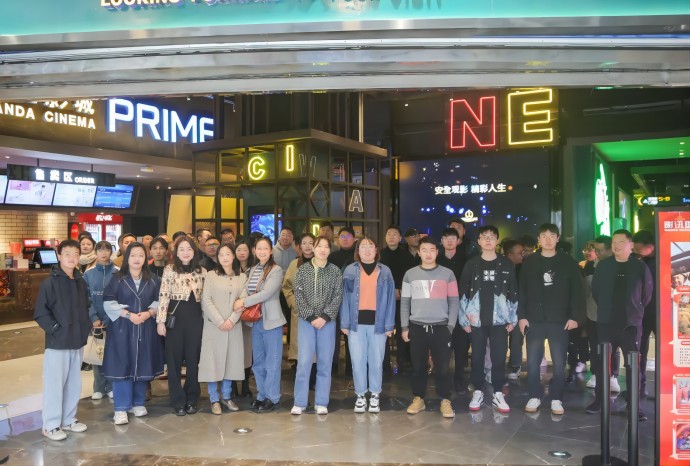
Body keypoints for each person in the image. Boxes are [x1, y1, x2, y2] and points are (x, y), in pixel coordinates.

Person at [518, 223, 584, 416]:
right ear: (539, 239)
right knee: (532, 363)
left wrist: (575, 317)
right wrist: (522, 316)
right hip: (534, 319)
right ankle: (534, 395)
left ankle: (556, 398)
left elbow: (577, 291)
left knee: (559, 362)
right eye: (544, 236)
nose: (548, 239)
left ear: (557, 238)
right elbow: (522, 291)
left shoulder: (568, 262)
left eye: (552, 235)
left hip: (560, 320)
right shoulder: (530, 262)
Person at [588, 229, 653, 421]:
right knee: (602, 363)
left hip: (630, 324)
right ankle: (600, 400)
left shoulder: (639, 267)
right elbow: (596, 291)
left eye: (621, 241)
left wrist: (634, 310)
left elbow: (646, 295)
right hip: (606, 322)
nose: (616, 245)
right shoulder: (604, 266)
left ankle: (634, 406)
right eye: (614, 242)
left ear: (631, 245)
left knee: (633, 365)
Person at [34, 239, 92, 441]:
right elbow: (41, 313)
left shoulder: (80, 281)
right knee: (54, 384)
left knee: (73, 383)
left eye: (75, 254)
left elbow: (86, 306)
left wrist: (86, 326)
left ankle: (68, 419)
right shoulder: (50, 282)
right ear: (59, 256)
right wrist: (56, 330)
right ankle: (50, 425)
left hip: (77, 340)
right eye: (67, 254)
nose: (72, 258)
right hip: (58, 342)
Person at [102, 242, 163, 425]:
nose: (137, 259)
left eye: (141, 255)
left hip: (145, 326)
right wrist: (129, 315)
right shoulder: (117, 279)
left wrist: (149, 313)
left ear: (146, 258)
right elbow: (108, 303)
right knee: (122, 365)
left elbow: (160, 301)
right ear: (127, 257)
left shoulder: (152, 279)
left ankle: (138, 402)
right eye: (133, 255)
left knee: (142, 363)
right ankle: (121, 408)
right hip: (123, 328)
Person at [459, 225, 518, 413]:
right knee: (477, 357)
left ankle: (498, 393)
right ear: (479, 241)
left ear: (496, 240)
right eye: (484, 236)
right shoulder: (471, 264)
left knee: (499, 357)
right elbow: (463, 292)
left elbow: (513, 291)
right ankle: (477, 390)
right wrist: (463, 319)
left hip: (500, 321)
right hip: (476, 320)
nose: (488, 240)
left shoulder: (506, 264)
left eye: (492, 236)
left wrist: (513, 319)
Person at [401, 236, 459, 419]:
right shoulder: (410, 274)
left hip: (441, 327)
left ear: (437, 252)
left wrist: (450, 326)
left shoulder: (447, 274)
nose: (428, 254)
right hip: (417, 327)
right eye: (424, 250)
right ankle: (418, 398)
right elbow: (405, 302)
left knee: (443, 368)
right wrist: (404, 327)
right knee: (418, 367)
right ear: (419, 252)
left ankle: (445, 400)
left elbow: (454, 301)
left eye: (432, 250)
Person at [341, 237, 395, 413]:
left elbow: (390, 299)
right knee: (357, 361)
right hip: (355, 324)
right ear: (357, 251)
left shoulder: (385, 271)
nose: (366, 249)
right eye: (362, 246)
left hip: (378, 324)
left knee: (376, 361)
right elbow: (344, 298)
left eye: (370, 246)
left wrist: (389, 325)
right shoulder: (350, 270)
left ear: (376, 250)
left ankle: (375, 395)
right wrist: (344, 322)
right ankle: (360, 396)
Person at [291, 236, 343, 415]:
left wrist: (325, 317)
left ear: (330, 250)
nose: (322, 249)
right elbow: (298, 295)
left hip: (327, 322)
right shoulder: (303, 270)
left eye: (326, 247)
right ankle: (300, 402)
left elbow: (338, 296)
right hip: (307, 321)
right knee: (304, 362)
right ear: (313, 248)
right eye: (319, 246)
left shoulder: (335, 271)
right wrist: (312, 316)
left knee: (325, 363)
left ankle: (321, 401)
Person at [234, 237, 286, 413]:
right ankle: (262, 395)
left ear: (271, 251)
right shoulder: (253, 269)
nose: (262, 252)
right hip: (255, 322)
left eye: (266, 248)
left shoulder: (276, 270)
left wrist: (243, 302)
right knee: (258, 363)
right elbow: (245, 289)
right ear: (254, 251)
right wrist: (242, 298)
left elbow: (267, 293)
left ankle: (273, 397)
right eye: (259, 248)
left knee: (272, 362)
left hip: (272, 322)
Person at [156, 236, 206, 416]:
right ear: (176, 252)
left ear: (194, 251)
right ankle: (177, 399)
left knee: (193, 361)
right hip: (175, 320)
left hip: (196, 319)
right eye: (182, 249)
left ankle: (192, 398)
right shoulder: (169, 269)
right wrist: (160, 321)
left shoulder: (202, 271)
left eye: (189, 249)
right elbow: (163, 295)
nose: (185, 252)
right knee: (174, 361)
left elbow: (206, 299)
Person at [199, 243, 248, 415]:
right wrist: (220, 321)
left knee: (230, 362)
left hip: (233, 326)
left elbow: (243, 300)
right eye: (221, 255)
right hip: (214, 326)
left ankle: (227, 396)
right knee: (212, 362)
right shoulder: (211, 275)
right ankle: (214, 399)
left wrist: (231, 320)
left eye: (228, 254)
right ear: (217, 258)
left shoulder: (241, 277)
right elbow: (206, 300)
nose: (225, 257)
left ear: (234, 256)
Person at [436, 227, 472, 394]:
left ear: (458, 240)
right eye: (446, 237)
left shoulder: (467, 259)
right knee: (441, 345)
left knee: (461, 344)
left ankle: (459, 379)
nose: (449, 240)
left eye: (452, 237)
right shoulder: (436, 259)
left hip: (461, 307)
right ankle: (442, 379)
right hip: (440, 307)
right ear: (441, 241)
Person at [379, 225, 417, 373]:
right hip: (384, 298)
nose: (391, 236)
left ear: (400, 238)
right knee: (383, 329)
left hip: (403, 297)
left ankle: (403, 361)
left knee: (403, 328)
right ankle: (384, 363)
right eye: (389, 233)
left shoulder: (407, 255)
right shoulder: (379, 255)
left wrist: (400, 291)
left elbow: (411, 277)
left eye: (395, 234)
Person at [83, 240, 117, 401]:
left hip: (113, 321)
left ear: (111, 252)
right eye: (100, 250)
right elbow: (85, 298)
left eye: (107, 250)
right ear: (95, 253)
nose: (104, 253)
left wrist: (109, 318)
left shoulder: (118, 272)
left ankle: (110, 386)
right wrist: (94, 318)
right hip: (95, 323)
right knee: (97, 354)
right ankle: (98, 387)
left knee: (112, 354)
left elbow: (119, 297)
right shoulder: (88, 274)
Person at [584, 235, 613, 390]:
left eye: (600, 250)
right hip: (593, 313)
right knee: (594, 345)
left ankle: (613, 375)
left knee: (612, 347)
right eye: (596, 250)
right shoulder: (590, 266)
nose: (597, 253)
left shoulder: (617, 264)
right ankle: (595, 374)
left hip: (613, 314)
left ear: (610, 249)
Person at [328, 226, 357, 375]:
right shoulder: (332, 257)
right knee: (333, 334)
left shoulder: (357, 256)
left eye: (348, 237)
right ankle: (332, 365)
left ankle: (351, 366)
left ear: (354, 239)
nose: (345, 240)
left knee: (350, 334)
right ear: (337, 239)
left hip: (352, 301)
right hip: (334, 301)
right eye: (342, 237)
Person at [283, 233, 315, 362]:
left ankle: (313, 369)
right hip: (299, 310)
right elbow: (286, 287)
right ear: (300, 246)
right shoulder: (294, 264)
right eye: (304, 243)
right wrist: (294, 303)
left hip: (317, 311)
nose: (307, 246)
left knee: (315, 345)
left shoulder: (321, 263)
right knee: (299, 343)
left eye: (311, 243)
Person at [633, 229, 657, 398]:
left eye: (638, 248)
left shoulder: (661, 260)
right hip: (641, 312)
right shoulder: (639, 260)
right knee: (640, 348)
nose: (636, 252)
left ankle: (664, 387)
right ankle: (640, 386)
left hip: (659, 313)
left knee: (663, 350)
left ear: (650, 246)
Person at [502, 239, 525, 380]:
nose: (523, 255)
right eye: (520, 253)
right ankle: (497, 366)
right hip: (501, 309)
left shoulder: (525, 268)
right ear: (510, 254)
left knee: (516, 339)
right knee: (500, 340)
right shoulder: (500, 266)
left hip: (518, 308)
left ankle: (515, 365)